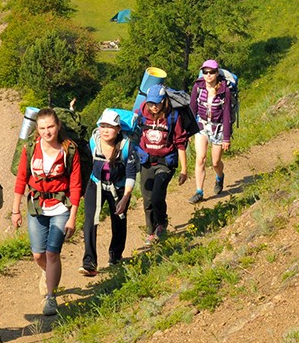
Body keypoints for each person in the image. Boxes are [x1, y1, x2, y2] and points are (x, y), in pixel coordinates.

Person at [10, 108, 82, 316]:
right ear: (37, 129)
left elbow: (75, 185)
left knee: (52, 253)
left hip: (61, 207)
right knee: (38, 254)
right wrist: (15, 211)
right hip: (36, 206)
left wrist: (73, 217)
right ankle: (47, 272)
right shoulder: (30, 149)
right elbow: (21, 180)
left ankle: (51, 298)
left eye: (50, 126)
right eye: (42, 128)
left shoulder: (69, 150)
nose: (47, 132)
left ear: (58, 126)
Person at [80, 109, 139, 275]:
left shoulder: (126, 146)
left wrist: (125, 198)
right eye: (102, 126)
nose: (105, 130)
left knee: (118, 220)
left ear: (118, 129)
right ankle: (89, 262)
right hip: (95, 184)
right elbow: (85, 165)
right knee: (90, 221)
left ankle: (116, 255)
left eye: (110, 127)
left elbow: (131, 173)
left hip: (119, 188)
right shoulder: (93, 142)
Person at [136, 84, 189, 245]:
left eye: (157, 103)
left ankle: (162, 223)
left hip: (165, 163)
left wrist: (184, 170)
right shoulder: (141, 113)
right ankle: (151, 231)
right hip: (146, 161)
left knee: (158, 195)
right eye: (151, 103)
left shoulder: (173, 116)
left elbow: (180, 142)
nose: (154, 106)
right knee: (147, 199)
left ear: (164, 101)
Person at [188, 59, 233, 204]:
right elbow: (192, 108)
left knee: (215, 162)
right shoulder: (198, 86)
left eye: (212, 72)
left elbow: (226, 114)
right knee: (200, 158)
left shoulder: (224, 90)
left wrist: (226, 137)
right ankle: (199, 191)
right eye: (205, 72)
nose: (208, 75)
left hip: (218, 127)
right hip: (201, 126)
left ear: (217, 72)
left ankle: (219, 177)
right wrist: (188, 130)